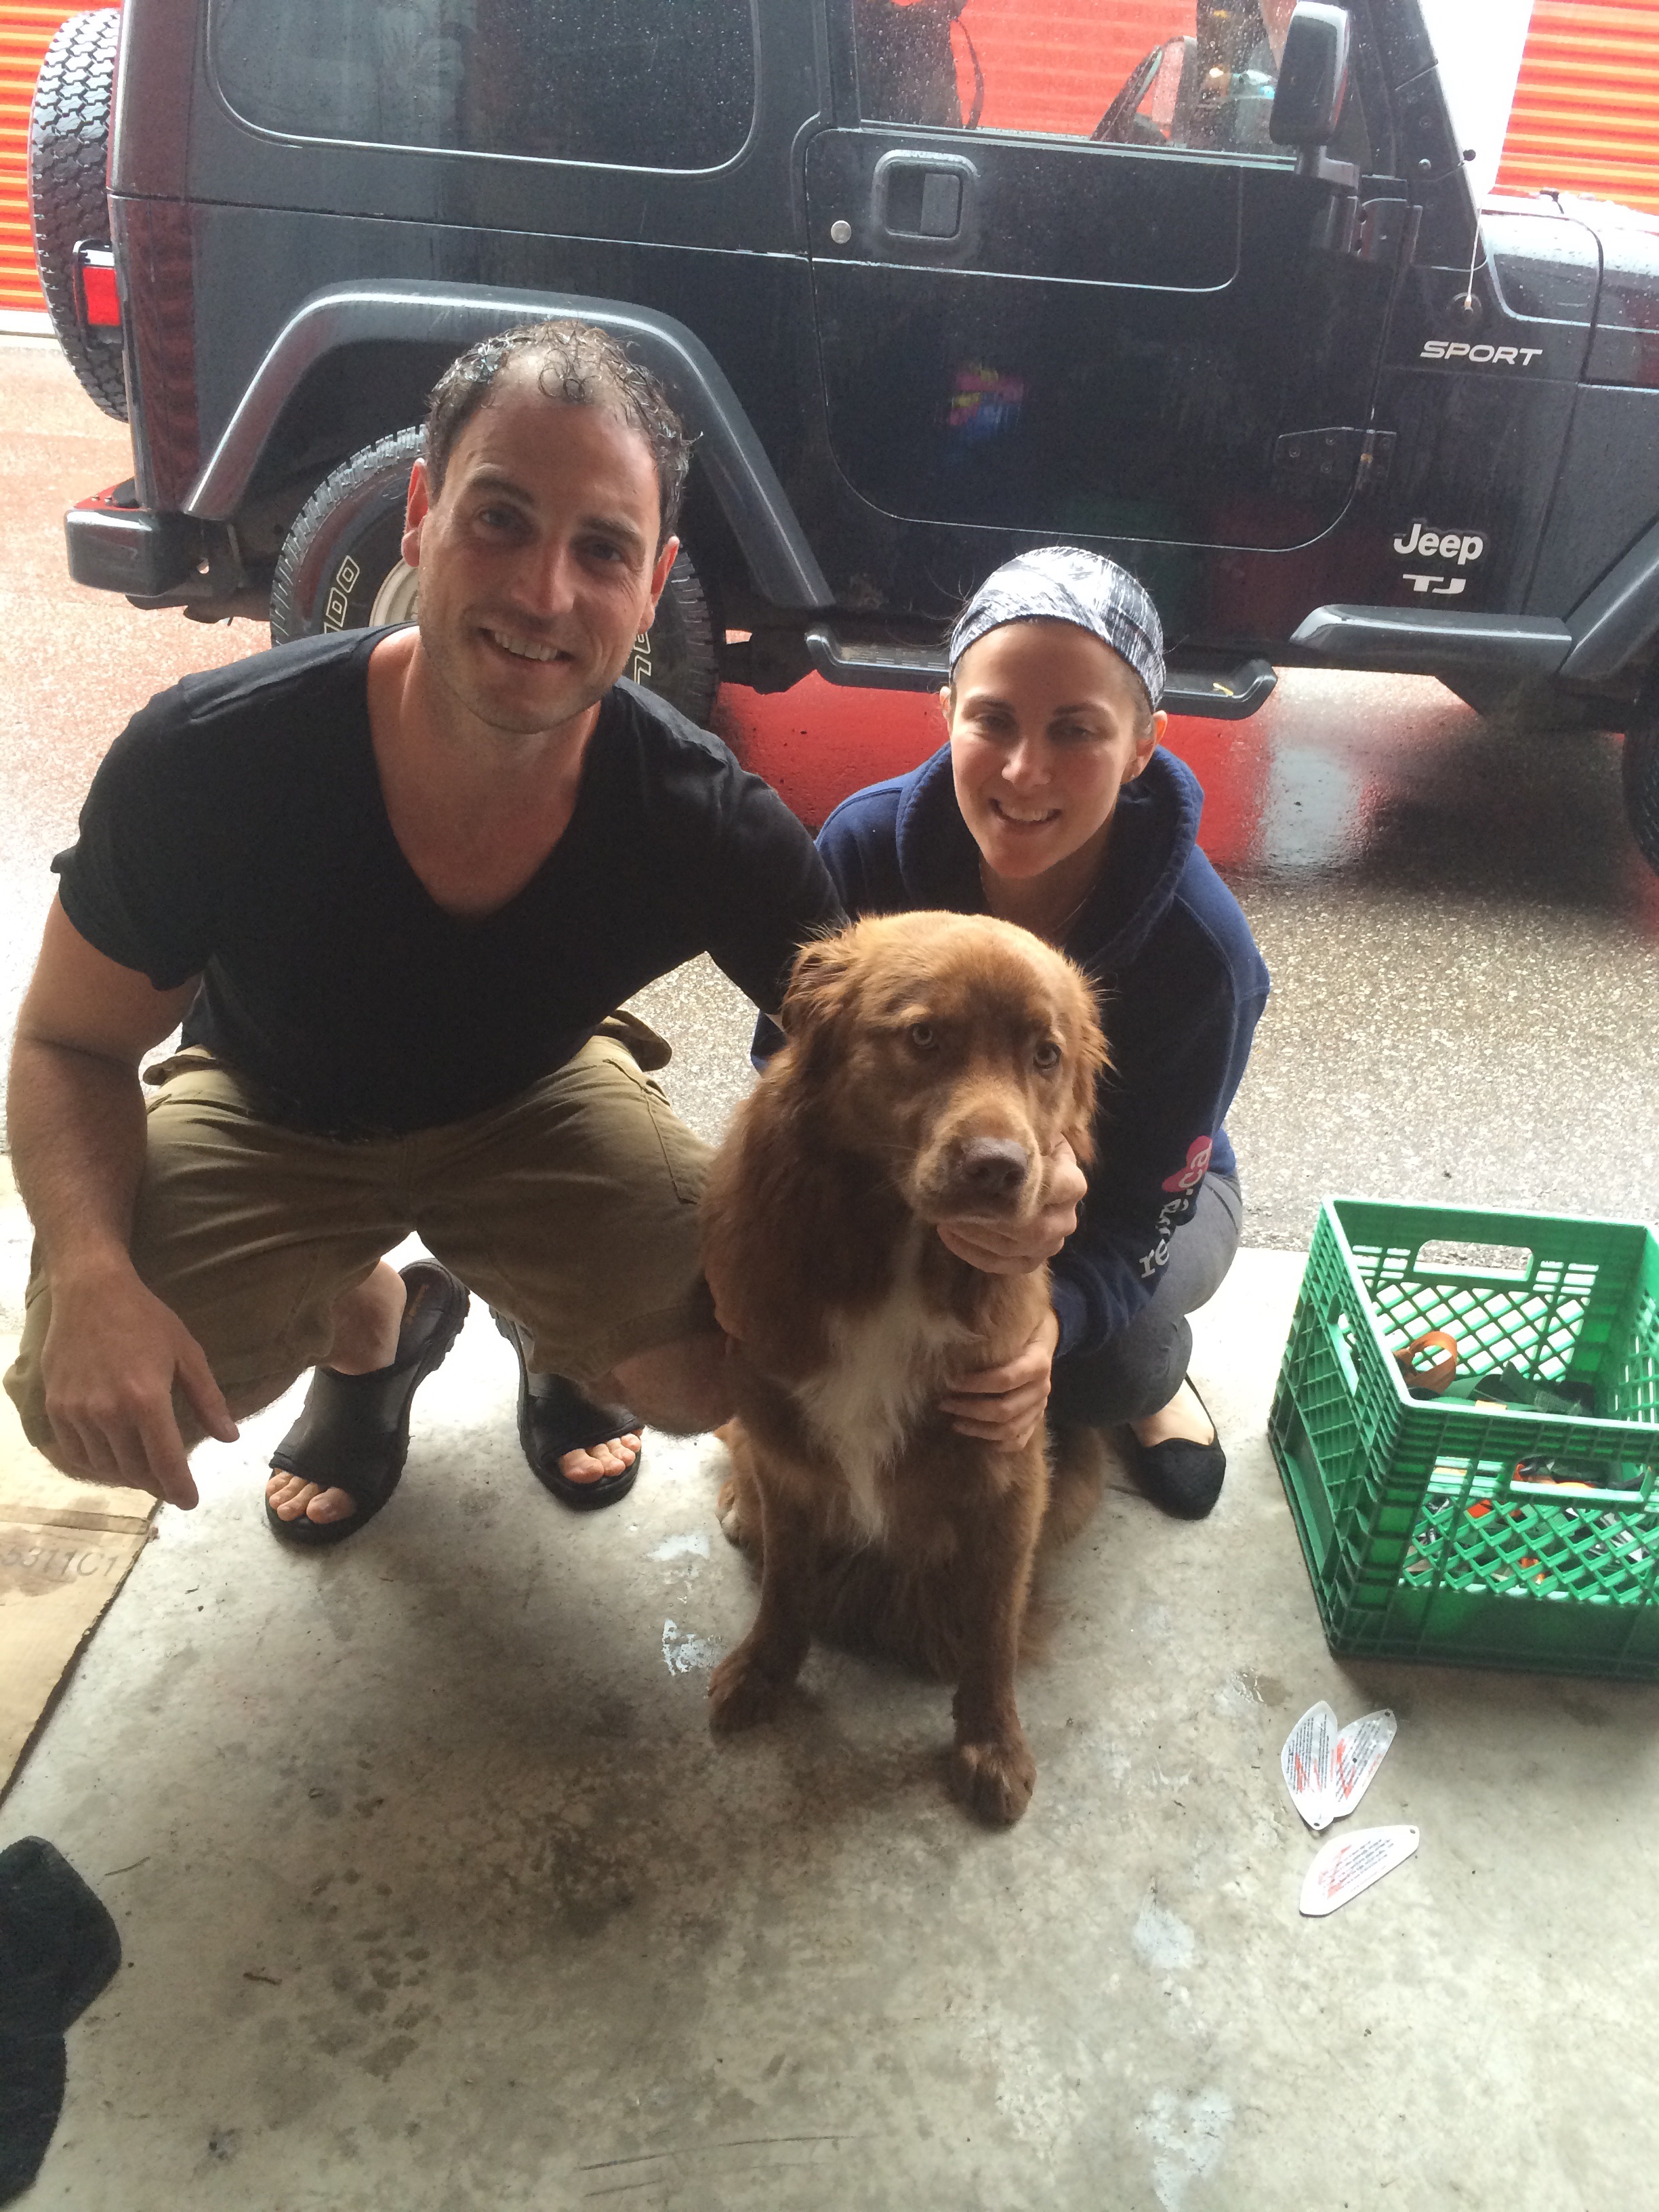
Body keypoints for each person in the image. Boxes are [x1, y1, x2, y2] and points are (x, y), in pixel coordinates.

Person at [4, 321, 1079, 1549]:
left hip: (533, 1099)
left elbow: (880, 1047)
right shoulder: (210, 756)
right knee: (86, 1402)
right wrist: (90, 1273)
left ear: (654, 580)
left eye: (603, 549)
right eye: (500, 519)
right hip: (267, 1099)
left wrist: (1041, 1218)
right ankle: (372, 1330)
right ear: (421, 515)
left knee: (727, 1360)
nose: (543, 592)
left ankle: (556, 1327)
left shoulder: (698, 813)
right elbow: (68, 1044)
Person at [794, 546, 1269, 1518]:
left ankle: (1152, 1384)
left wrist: (1055, 1316)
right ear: (946, 713)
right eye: (994, 720)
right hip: (910, 1165)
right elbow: (790, 1065)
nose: (1024, 770)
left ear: (1143, 746)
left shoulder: (1203, 951)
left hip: (1145, 1193)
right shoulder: (859, 849)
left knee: (1112, 1369)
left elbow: (1149, 1204)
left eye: (1076, 730)